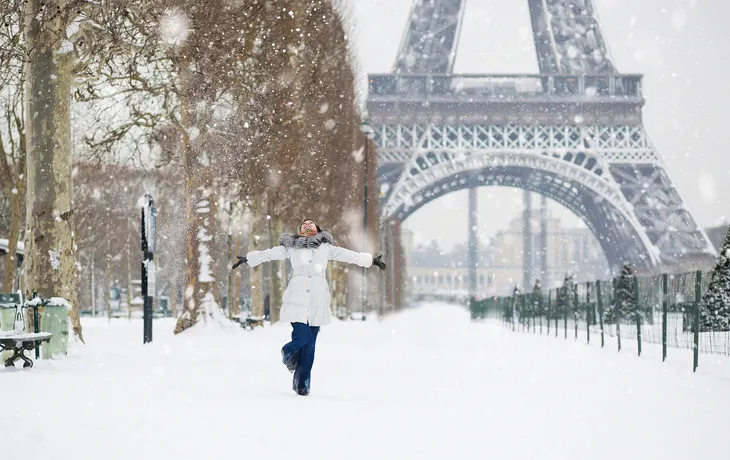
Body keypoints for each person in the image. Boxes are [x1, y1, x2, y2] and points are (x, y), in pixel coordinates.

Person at [232, 219, 386, 396]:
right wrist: (248, 259)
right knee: (301, 336)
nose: (307, 227)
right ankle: (288, 351)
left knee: (310, 346)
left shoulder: (326, 248)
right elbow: (269, 254)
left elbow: (349, 255)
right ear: (300, 231)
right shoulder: (292, 247)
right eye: (304, 225)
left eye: (310, 225)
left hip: (318, 299)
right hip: (297, 297)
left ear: (317, 230)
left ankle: (302, 384)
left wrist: (371, 260)